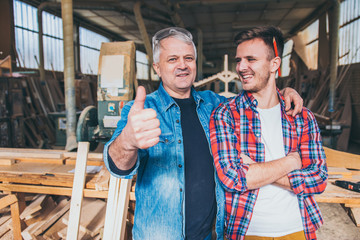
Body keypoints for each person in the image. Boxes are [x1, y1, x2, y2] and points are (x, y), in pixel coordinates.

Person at [103, 27, 303, 240]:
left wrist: (285, 93)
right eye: (172, 59)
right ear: (157, 68)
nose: (182, 65)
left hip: (213, 234)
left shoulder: (216, 105)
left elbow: (258, 101)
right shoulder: (141, 111)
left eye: (188, 58)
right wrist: (127, 142)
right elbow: (118, 168)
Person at [209, 26, 328, 240]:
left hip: (298, 228)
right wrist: (290, 162)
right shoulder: (225, 114)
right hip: (248, 231)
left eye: (251, 59)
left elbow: (318, 179)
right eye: (238, 60)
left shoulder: (302, 116)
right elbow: (232, 178)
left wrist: (254, 169)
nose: (241, 67)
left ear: (274, 64)